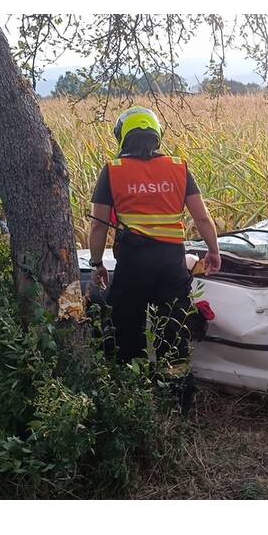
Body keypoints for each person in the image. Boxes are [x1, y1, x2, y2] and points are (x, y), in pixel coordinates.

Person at [87, 107, 222, 368]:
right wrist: (213, 250)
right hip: (171, 263)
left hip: (133, 263)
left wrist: (96, 264)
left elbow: (97, 226)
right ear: (157, 134)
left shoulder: (113, 170)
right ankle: (175, 396)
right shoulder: (178, 167)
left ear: (122, 136)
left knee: (126, 331)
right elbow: (202, 218)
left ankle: (131, 391)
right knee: (173, 333)